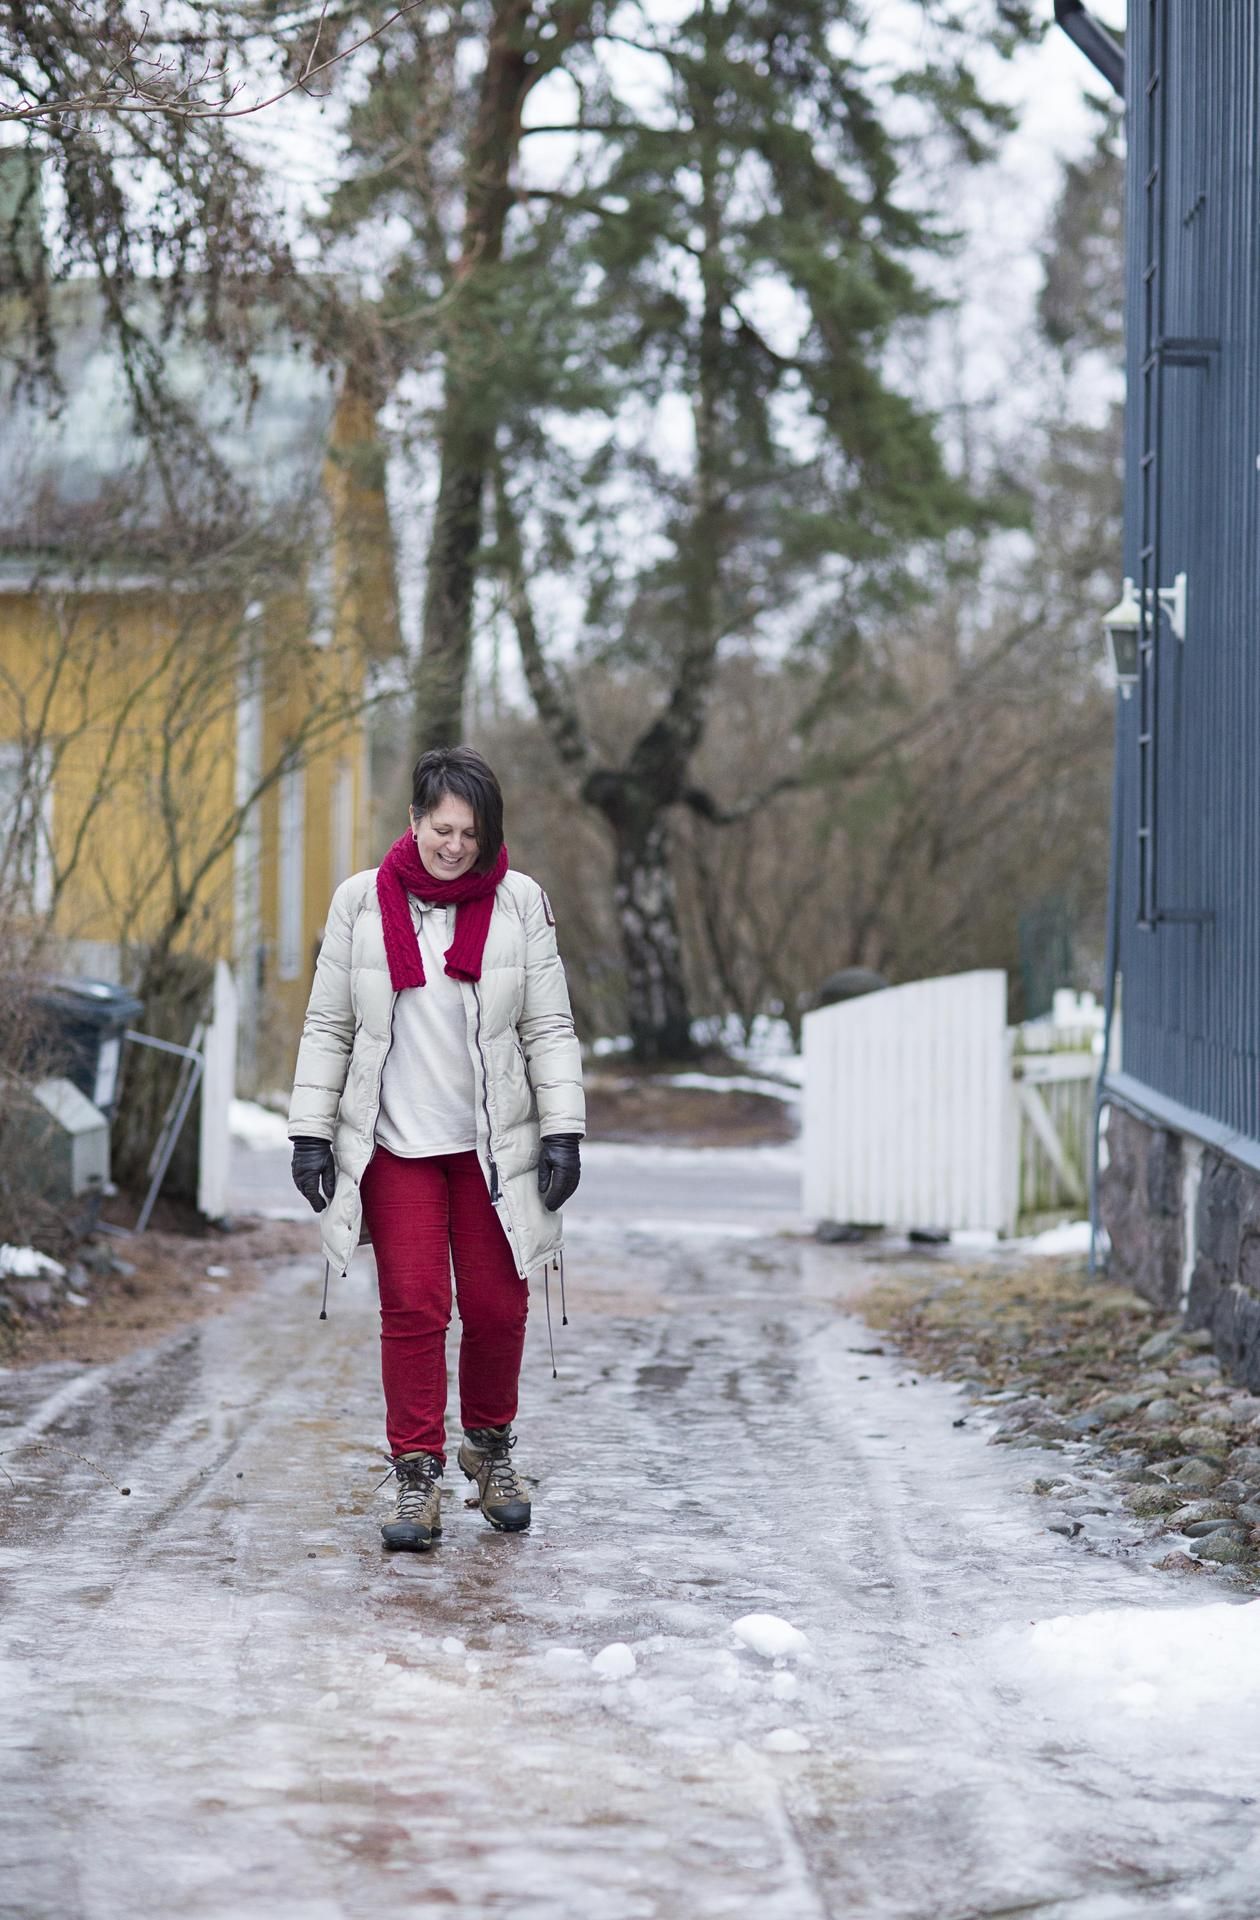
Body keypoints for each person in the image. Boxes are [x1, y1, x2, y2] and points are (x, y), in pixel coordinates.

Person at [287, 745, 585, 1551]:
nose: (455, 846)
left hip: (491, 1148)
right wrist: (310, 1131)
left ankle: (488, 1452)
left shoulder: (521, 905)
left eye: (471, 833)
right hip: (397, 1146)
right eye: (442, 828)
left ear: (490, 836)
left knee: (498, 1306)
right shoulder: (359, 904)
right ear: (414, 821)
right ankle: (415, 1471)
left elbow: (548, 1026)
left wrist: (563, 1128)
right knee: (414, 1308)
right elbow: (329, 1025)